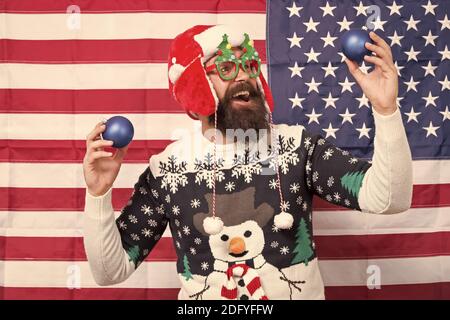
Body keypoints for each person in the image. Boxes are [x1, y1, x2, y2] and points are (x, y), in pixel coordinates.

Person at [83, 25, 412, 300]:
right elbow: (110, 271)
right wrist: (98, 195)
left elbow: (389, 199)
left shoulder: (298, 147)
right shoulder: (168, 170)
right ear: (196, 86)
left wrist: (386, 111)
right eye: (226, 68)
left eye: (249, 65)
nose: (243, 76)